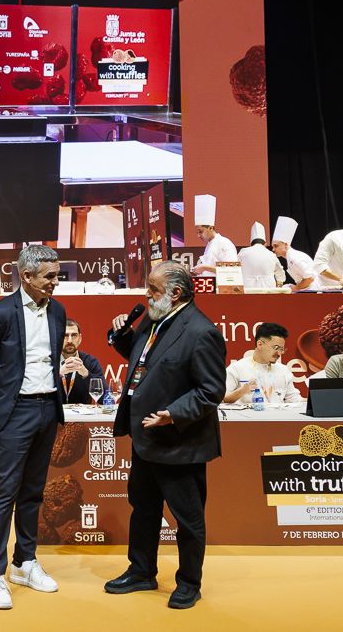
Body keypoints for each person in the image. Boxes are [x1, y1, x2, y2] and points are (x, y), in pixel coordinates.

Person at [105, 261, 225, 610]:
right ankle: (141, 571)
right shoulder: (154, 318)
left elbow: (210, 391)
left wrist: (173, 413)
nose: (147, 295)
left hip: (179, 442)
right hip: (146, 437)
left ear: (176, 293)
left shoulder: (201, 332)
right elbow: (143, 360)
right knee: (143, 509)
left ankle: (189, 582)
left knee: (187, 519)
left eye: (153, 289)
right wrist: (122, 335)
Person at [0, 244, 66, 610]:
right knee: (4, 493)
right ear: (26, 276)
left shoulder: (58, 311)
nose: (55, 282)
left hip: (48, 409)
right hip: (15, 413)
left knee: (33, 492)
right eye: (49, 277)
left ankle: (24, 562)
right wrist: (1, 403)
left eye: (57, 276)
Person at [223, 322, 301, 404]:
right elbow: (222, 399)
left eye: (281, 349)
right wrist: (242, 391)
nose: (279, 353)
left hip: (278, 412)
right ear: (260, 344)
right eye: (276, 348)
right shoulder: (237, 369)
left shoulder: (284, 370)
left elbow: (294, 399)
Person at [189, 194, 237, 278]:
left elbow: (231, 270)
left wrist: (204, 268)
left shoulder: (224, 243)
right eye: (197, 232)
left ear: (210, 228)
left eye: (201, 232)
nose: (198, 235)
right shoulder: (210, 244)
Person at [59, 320, 106, 405]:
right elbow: (39, 394)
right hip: (55, 413)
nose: (70, 340)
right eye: (65, 335)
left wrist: (86, 374)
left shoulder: (91, 362)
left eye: (74, 335)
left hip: (82, 414)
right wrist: (59, 374)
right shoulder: (49, 361)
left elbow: (105, 398)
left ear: (80, 338)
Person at [269, 216, 319, 292]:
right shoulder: (290, 257)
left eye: (276, 246)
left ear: (286, 245)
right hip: (307, 290)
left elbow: (310, 278)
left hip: (313, 291)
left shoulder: (294, 257)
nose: (273, 249)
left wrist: (295, 288)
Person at [238, 221, 284, 289]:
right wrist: (279, 285)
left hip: (248, 288)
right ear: (265, 244)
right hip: (268, 288)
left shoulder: (243, 252)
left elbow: (234, 268)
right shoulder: (271, 255)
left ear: (251, 244)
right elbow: (279, 271)